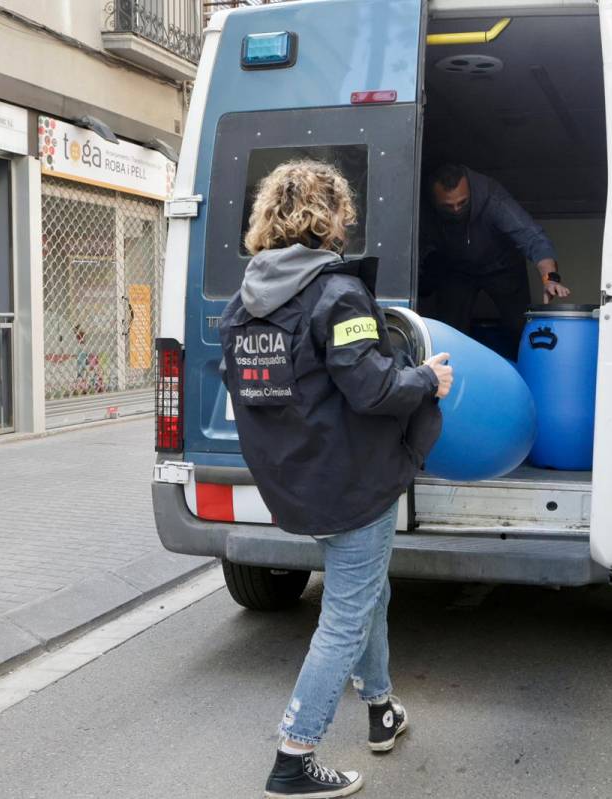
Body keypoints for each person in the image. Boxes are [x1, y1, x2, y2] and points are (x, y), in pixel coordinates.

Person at [216, 160, 454, 798]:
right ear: (329, 218)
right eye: (344, 212)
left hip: (296, 482)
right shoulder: (335, 293)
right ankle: (294, 758)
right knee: (346, 616)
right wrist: (427, 378)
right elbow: (373, 388)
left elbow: (243, 387)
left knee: (367, 596)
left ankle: (381, 709)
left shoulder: (245, 302)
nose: (348, 222)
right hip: (353, 483)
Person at [420, 164, 571, 350]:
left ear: (470, 189)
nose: (456, 210)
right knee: (449, 332)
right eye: (448, 206)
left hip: (502, 267)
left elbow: (531, 237)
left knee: (521, 329)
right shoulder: (420, 202)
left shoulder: (492, 196)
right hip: (455, 269)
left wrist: (550, 279)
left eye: (462, 203)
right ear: (434, 200)